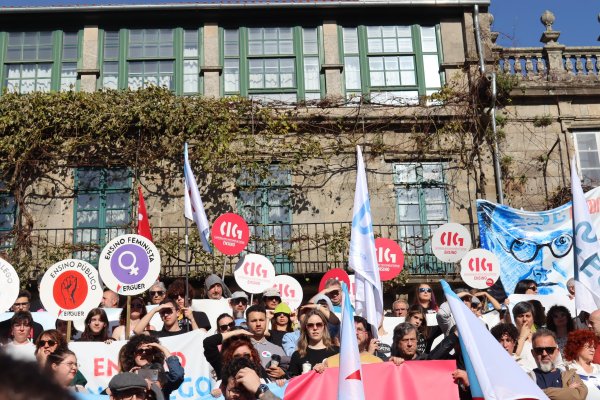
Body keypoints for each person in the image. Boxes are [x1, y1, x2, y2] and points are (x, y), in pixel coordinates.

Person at [120, 334, 184, 399]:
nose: (144, 353)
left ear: (153, 355)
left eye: (148, 351)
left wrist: (163, 349)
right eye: (140, 351)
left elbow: (178, 375)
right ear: (133, 355)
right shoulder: (126, 377)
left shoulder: (162, 377)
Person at [528, 328, 587, 399]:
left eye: (549, 350)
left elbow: (579, 396)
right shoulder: (526, 379)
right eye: (539, 350)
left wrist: (537, 392)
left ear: (557, 352)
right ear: (533, 353)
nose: (544, 354)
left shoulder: (570, 375)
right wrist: (566, 391)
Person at [0, 353, 77, 400]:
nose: (74, 367)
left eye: (76, 364)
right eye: (69, 364)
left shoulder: (80, 391)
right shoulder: (36, 387)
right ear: (54, 366)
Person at [288, 309, 339, 376]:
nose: (315, 328)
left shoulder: (337, 352)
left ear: (324, 327)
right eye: (310, 325)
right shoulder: (297, 355)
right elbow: (292, 380)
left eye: (319, 324)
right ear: (305, 328)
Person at [389, 322, 457, 364]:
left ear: (417, 340)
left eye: (412, 339)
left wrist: (455, 335)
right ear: (397, 342)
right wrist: (390, 364)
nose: (410, 344)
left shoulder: (426, 360)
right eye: (405, 340)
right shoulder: (391, 362)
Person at [564, 329, 600, 399]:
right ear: (577, 347)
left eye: (594, 347)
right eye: (589, 347)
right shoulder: (567, 370)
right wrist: (568, 391)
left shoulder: (598, 368)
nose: (593, 350)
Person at [513, 301, 538, 372]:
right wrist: (522, 337)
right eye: (520, 316)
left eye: (528, 316)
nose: (524, 319)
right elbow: (512, 359)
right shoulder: (509, 340)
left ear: (533, 319)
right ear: (515, 319)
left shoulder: (540, 337)